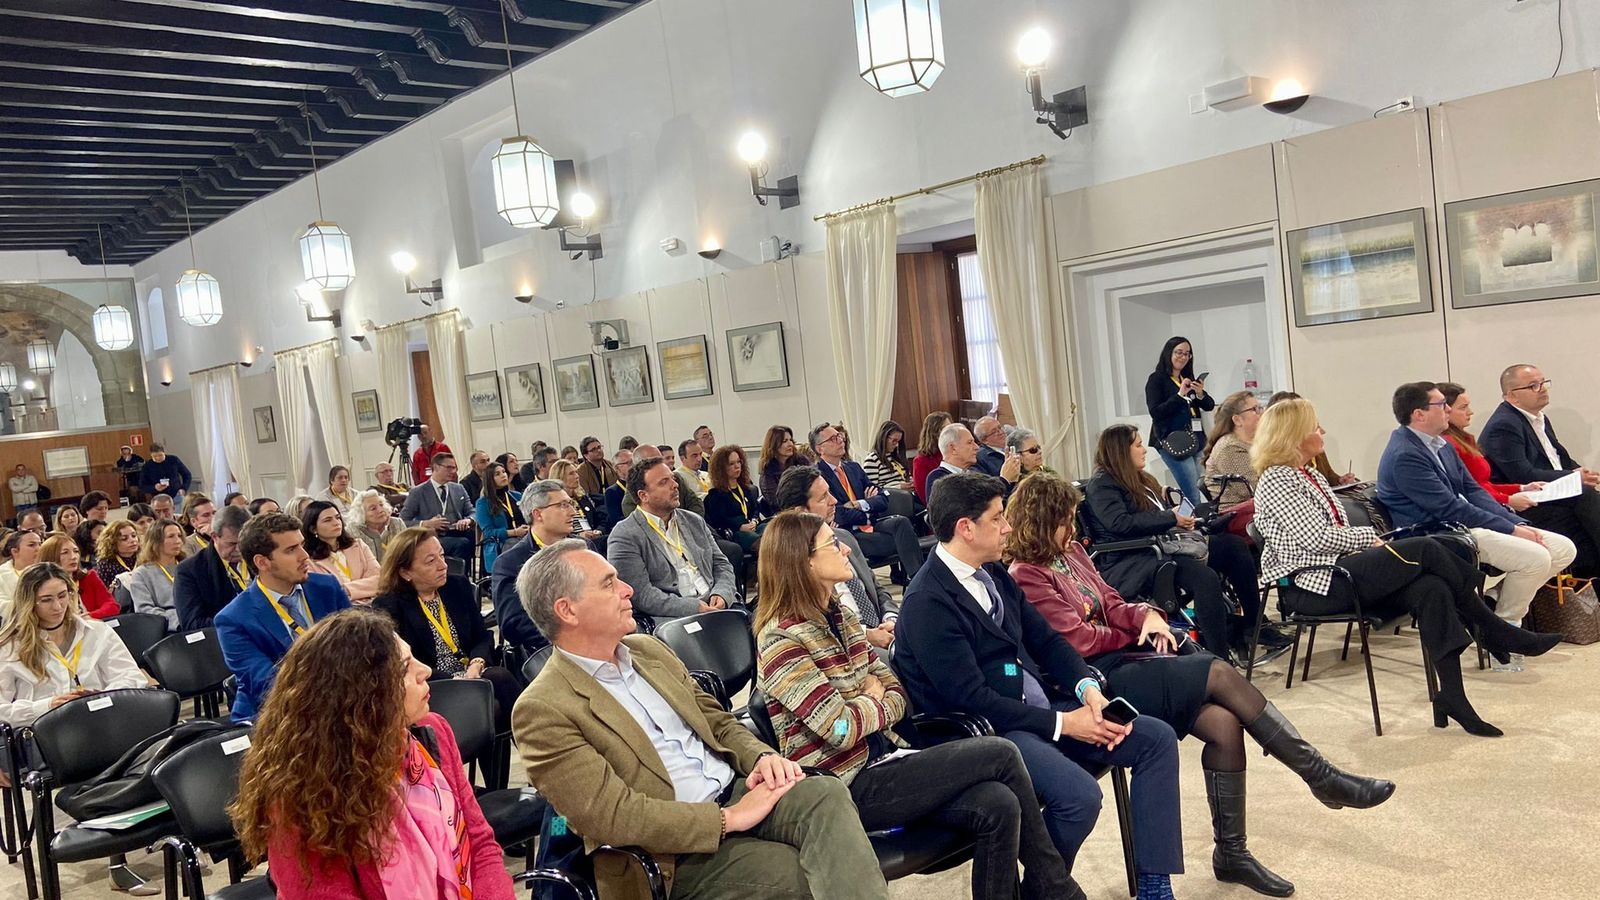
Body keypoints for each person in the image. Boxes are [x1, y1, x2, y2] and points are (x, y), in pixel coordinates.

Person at [1006, 474, 1394, 896]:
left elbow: (1113, 603)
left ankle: (1232, 853)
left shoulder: (1074, 552)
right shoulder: (1026, 574)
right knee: (1219, 672)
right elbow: (1077, 641)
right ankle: (1319, 775)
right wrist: (1135, 632)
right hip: (1095, 679)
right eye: (1065, 519)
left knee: (1224, 723)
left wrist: (1146, 617)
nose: (1075, 528)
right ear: (1042, 521)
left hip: (1126, 660)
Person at [512, 539, 889, 900]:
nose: (628, 589)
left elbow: (717, 721)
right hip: (672, 854)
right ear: (568, 610)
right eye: (609, 584)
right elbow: (614, 816)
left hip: (734, 786)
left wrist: (761, 759)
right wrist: (727, 819)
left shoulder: (647, 650)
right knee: (801, 871)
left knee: (825, 795)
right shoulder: (543, 708)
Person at [754, 510, 1079, 900]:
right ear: (804, 562)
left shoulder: (840, 616)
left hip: (889, 754)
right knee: (1001, 753)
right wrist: (871, 696)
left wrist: (867, 702)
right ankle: (1057, 889)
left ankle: (1048, 887)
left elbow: (897, 692)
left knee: (1000, 803)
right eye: (831, 544)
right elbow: (839, 731)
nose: (844, 548)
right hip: (842, 784)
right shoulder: (780, 641)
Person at [892, 472, 1186, 900]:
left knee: (1154, 739)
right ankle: (1042, 892)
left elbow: (1046, 642)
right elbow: (971, 700)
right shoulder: (928, 602)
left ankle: (1154, 885)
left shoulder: (991, 572)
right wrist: (1065, 724)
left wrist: (1087, 688)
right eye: (998, 518)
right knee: (1079, 798)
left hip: (1036, 706)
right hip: (990, 731)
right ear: (966, 528)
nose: (1009, 526)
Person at [1257, 397, 1561, 733]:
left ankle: (1453, 696)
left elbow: (1329, 534)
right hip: (1315, 585)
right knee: (1427, 548)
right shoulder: (1278, 479)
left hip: (1342, 569)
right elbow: (1313, 538)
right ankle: (1494, 629)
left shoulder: (1307, 474)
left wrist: (1363, 540)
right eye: (1315, 426)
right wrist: (1366, 537)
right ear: (1294, 434)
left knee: (1431, 588)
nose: (1322, 430)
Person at [228, 609, 514, 900]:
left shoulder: (432, 732)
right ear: (362, 697)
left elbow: (480, 843)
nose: (425, 670)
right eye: (404, 668)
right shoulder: (301, 794)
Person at [1376, 381, 1575, 672]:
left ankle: (1491, 609)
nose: (1447, 410)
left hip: (1460, 524)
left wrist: (1514, 521)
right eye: (1440, 405)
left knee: (1562, 548)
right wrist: (1511, 530)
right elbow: (1448, 507)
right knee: (1536, 558)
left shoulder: (1441, 444)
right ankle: (1505, 630)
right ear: (1419, 414)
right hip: (1435, 534)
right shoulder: (1405, 454)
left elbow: (1474, 492)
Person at [0, 563, 150, 894]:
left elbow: (132, 676)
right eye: (46, 600)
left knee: (145, 748)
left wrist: (101, 694)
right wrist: (49, 705)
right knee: (113, 759)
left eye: (63, 596)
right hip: (41, 737)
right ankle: (104, 837)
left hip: (100, 723)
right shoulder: (9, 647)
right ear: (28, 603)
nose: (58, 607)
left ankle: (122, 851)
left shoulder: (94, 631)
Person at [1082, 424, 1288, 660]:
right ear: (1120, 451)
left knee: (1234, 547)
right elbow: (1119, 524)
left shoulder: (1137, 479)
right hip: (1133, 560)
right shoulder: (1103, 484)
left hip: (1160, 546)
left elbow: (1144, 516)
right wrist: (1170, 517)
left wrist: (1173, 514)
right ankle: (1217, 659)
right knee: (1205, 579)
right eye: (1138, 445)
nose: (1144, 450)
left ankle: (1253, 624)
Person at [374, 529, 519, 733]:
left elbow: (482, 636)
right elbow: (404, 663)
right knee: (490, 701)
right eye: (430, 561)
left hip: (473, 673)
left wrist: (476, 665)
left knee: (498, 683)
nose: (443, 566)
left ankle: (529, 750)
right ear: (405, 572)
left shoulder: (456, 586)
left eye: (442, 555)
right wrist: (452, 680)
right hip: (433, 683)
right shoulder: (389, 606)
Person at [215, 512, 353, 721]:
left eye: (302, 545)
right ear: (262, 562)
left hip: (342, 701)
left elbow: (358, 646)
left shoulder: (327, 587)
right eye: (291, 550)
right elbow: (268, 684)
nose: (304, 555)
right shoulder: (233, 619)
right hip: (277, 717)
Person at [1479, 363, 1600, 578]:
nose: (1542, 388)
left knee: (1588, 504)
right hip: (1522, 502)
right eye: (1533, 386)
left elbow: (1556, 457)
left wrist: (1578, 471)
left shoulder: (1538, 417)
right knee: (1586, 501)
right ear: (1512, 396)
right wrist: (1572, 477)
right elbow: (1522, 474)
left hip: (1551, 493)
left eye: (1543, 383)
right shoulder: (1504, 426)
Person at [774, 467, 899, 649]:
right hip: (845, 647)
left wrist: (891, 618)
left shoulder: (844, 537)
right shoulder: (792, 563)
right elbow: (812, 629)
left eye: (830, 492)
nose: (834, 501)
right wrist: (866, 635)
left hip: (881, 631)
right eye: (823, 497)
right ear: (800, 512)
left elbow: (876, 588)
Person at [607, 457, 737, 626]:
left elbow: (722, 564)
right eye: (664, 482)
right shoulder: (625, 535)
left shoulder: (693, 521)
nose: (675, 485)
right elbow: (642, 594)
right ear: (644, 495)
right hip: (675, 616)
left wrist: (722, 594)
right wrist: (694, 607)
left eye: (673, 479)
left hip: (716, 604)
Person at [489, 480, 594, 655]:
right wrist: (572, 638)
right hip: (549, 649)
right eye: (563, 505)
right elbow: (513, 624)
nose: (573, 512)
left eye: (570, 504)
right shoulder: (511, 563)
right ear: (538, 514)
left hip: (596, 635)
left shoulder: (584, 547)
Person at [811, 422, 926, 583]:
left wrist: (859, 504)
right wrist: (868, 506)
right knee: (905, 542)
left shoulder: (853, 467)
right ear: (820, 448)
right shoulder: (818, 475)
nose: (840, 440)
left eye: (839, 436)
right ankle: (918, 580)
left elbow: (883, 497)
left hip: (871, 524)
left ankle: (918, 578)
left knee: (901, 522)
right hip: (849, 533)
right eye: (833, 439)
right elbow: (839, 514)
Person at [1440, 383, 1541, 513]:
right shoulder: (1449, 444)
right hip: (1486, 509)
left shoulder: (1464, 440)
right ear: (1446, 411)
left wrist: (1521, 488)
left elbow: (1484, 485)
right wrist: (1508, 499)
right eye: (1463, 408)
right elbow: (1470, 491)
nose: (1470, 412)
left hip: (1494, 502)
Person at [1145, 336, 1214, 506]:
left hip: (1196, 438)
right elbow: (1156, 412)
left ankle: (1197, 526)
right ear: (1169, 353)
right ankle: (1195, 529)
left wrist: (1199, 394)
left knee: (1201, 487)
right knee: (1192, 493)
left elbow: (1209, 405)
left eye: (1187, 354)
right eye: (1179, 352)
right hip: (1174, 441)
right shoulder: (1157, 379)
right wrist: (1179, 395)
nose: (1183, 357)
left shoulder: (1187, 378)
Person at [175, 504, 251, 630]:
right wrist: (243, 624)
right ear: (214, 536)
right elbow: (192, 623)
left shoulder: (260, 558)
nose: (239, 549)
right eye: (232, 544)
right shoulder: (190, 571)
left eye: (243, 543)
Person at [1265, 392, 1358, 485]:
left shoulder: (1313, 455)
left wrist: (1339, 481)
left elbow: (1328, 475)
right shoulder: (1277, 477)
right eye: (1314, 428)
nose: (1322, 431)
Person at [399, 452, 477, 563]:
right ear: (435, 467)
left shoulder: (459, 488)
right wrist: (425, 524)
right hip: (432, 536)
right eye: (449, 468)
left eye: (454, 468)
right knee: (462, 543)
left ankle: (463, 577)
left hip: (457, 532)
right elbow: (402, 521)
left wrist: (468, 520)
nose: (453, 472)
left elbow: (472, 512)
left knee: (470, 538)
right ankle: (457, 578)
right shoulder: (418, 492)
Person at [924, 422, 1021, 506]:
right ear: (953, 448)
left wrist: (1012, 479)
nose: (976, 447)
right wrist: (1004, 479)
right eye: (970, 442)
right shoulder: (937, 477)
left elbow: (999, 503)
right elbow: (975, 507)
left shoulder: (974, 473)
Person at [303, 500, 382, 603]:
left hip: (373, 605)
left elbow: (379, 580)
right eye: (328, 520)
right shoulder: (307, 559)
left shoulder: (358, 546)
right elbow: (326, 594)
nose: (336, 523)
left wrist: (344, 590)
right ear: (313, 529)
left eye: (338, 517)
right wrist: (363, 590)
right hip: (339, 612)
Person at [1204, 390, 1264, 512]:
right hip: (1238, 515)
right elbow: (1252, 489)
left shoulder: (1255, 442)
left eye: (1260, 408)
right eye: (1254, 409)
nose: (1261, 413)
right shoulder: (1229, 448)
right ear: (1237, 420)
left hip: (1258, 509)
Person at [39, 532, 119, 620]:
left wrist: (89, 616)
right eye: (65, 553)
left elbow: (112, 606)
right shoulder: (43, 586)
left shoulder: (89, 577)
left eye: (76, 551)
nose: (73, 557)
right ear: (51, 556)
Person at [127, 518, 187, 631]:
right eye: (171, 536)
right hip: (168, 628)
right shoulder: (141, 574)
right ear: (156, 541)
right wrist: (178, 620)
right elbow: (144, 610)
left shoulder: (189, 566)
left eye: (179, 536)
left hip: (195, 621)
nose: (178, 540)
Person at [704, 445, 764, 557]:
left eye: (738, 462)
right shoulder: (716, 495)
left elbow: (755, 508)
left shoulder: (746, 488)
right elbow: (720, 520)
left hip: (753, 526)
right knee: (762, 542)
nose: (737, 466)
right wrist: (740, 526)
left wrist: (754, 521)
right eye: (731, 464)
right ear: (721, 468)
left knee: (772, 528)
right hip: (737, 532)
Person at [622, 444, 708, 518]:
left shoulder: (676, 478)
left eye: (660, 460)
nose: (674, 485)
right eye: (652, 462)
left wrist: (691, 523)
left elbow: (695, 502)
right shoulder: (630, 500)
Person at [474, 461, 528, 570]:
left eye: (503, 472)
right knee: (516, 545)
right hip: (501, 542)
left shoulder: (517, 496)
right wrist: (514, 532)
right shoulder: (483, 503)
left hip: (523, 536)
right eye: (497, 474)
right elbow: (488, 532)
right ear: (489, 479)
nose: (503, 475)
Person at [551, 458, 607, 544]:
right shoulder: (554, 504)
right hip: (572, 542)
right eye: (571, 474)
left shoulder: (582, 498)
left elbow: (598, 520)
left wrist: (599, 530)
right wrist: (578, 535)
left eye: (576, 472)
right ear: (560, 477)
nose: (577, 476)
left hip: (592, 538)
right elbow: (556, 531)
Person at [347, 488, 406, 565]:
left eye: (381, 505)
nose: (380, 510)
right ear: (361, 514)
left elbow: (408, 551)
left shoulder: (397, 523)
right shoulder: (353, 531)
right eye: (373, 508)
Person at [0, 528, 43, 620]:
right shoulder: (1, 575)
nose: (39, 548)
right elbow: (2, 607)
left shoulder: (50, 571)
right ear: (15, 551)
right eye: (32, 545)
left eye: (40, 544)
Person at [861, 420, 916, 492]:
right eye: (894, 440)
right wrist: (898, 487)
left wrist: (911, 483)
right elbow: (872, 490)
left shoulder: (897, 458)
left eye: (898, 441)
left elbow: (907, 477)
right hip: (891, 500)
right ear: (884, 438)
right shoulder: (872, 460)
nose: (896, 445)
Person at [911, 411, 953, 502]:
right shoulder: (921, 461)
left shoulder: (952, 454)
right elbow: (926, 497)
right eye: (946, 429)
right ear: (934, 432)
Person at [758, 425, 803, 507]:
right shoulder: (767, 471)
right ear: (773, 445)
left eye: (791, 440)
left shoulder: (801, 460)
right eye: (784, 441)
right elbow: (776, 502)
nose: (790, 444)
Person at [93, 520, 139, 592]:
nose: (132, 540)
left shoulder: (145, 558)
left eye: (134, 536)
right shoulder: (105, 564)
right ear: (112, 542)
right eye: (124, 538)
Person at [179, 491, 215, 557]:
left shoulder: (226, 537)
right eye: (206, 515)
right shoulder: (187, 544)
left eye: (214, 513)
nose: (213, 518)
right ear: (193, 522)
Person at [604, 448, 633, 529]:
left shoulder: (641, 485)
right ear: (616, 468)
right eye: (628, 463)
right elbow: (616, 520)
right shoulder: (612, 492)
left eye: (634, 462)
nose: (633, 465)